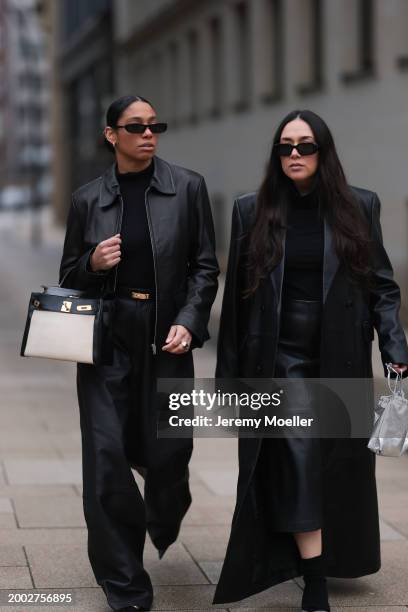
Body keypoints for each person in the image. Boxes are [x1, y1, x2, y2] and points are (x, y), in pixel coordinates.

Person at [213, 109, 408, 612]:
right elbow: (235, 302)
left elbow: (381, 286)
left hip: (339, 351)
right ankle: (315, 582)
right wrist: (228, 384)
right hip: (277, 356)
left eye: (304, 145)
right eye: (285, 146)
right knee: (298, 458)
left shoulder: (359, 206)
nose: (294, 155)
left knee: (334, 464)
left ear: (323, 151)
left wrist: (395, 348)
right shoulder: (249, 210)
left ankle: (314, 560)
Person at [59, 94, 219, 612]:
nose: (148, 135)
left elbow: (204, 267)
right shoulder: (87, 199)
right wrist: (92, 262)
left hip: (166, 334)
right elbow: (67, 278)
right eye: (136, 127)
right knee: (106, 460)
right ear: (112, 135)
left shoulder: (187, 188)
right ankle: (125, 585)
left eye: (155, 126)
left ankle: (166, 509)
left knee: (169, 456)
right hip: (106, 339)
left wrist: (190, 321)